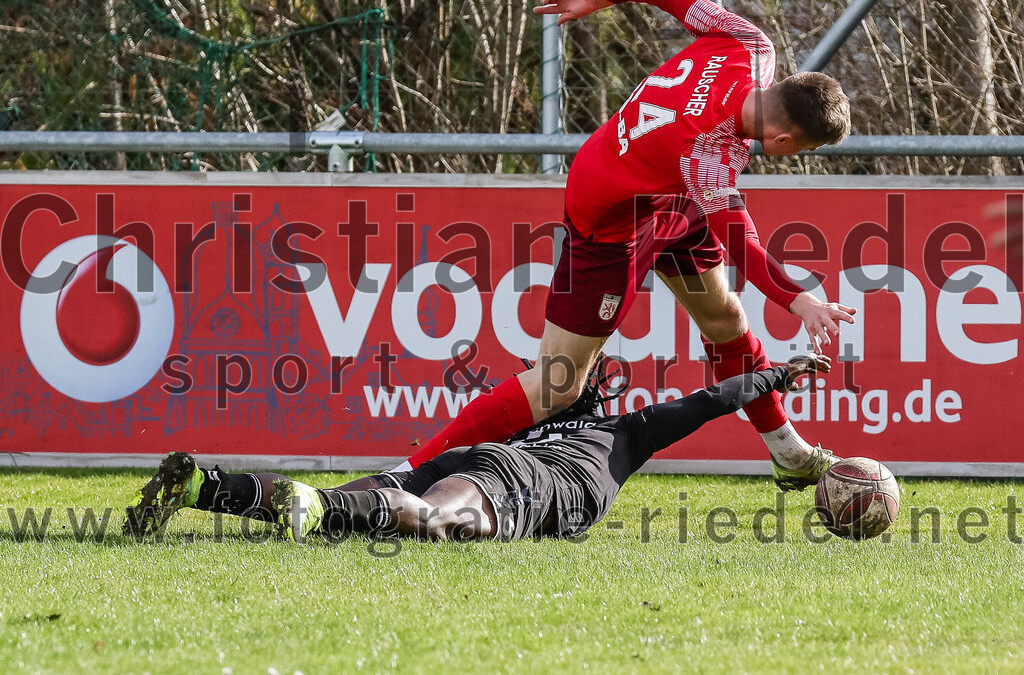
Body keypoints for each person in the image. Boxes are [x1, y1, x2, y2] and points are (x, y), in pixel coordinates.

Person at [399, 0, 856, 491]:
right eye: (802, 151)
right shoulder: (706, 150)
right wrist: (798, 300)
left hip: (670, 197)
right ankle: (410, 472)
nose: (795, 158)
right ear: (782, 136)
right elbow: (740, 241)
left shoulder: (749, 44)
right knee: (559, 384)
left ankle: (790, 456)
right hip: (611, 221)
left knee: (725, 318)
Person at [124, 354, 831, 543]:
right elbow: (707, 402)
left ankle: (204, 488)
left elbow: (435, 461)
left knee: (365, 506)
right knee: (435, 523)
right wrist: (779, 373)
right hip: (525, 485)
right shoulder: (623, 433)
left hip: (487, 463)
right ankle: (312, 501)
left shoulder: (519, 428)